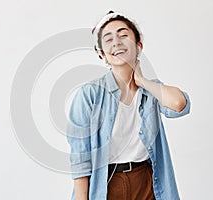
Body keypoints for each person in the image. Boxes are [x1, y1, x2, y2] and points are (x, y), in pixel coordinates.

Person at [66, 10, 191, 200]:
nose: (116, 42)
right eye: (108, 39)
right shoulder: (89, 94)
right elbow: (80, 161)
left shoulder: (152, 90)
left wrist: (143, 81)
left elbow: (179, 104)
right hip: (108, 185)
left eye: (124, 35)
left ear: (138, 46)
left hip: (148, 181)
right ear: (103, 55)